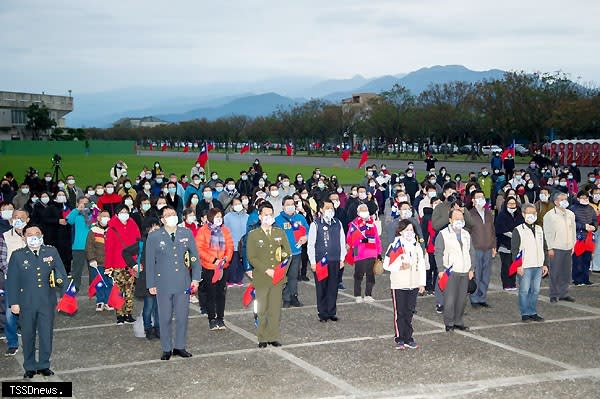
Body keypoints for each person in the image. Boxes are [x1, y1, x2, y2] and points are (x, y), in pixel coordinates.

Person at [7, 223, 68, 378]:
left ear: (42, 236)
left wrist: (66, 296)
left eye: (37, 233)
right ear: (24, 237)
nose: (34, 237)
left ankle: (44, 364)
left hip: (46, 301)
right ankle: (29, 366)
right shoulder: (17, 255)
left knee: (46, 334)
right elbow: (12, 281)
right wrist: (14, 302)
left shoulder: (51, 251)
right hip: (26, 303)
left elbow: (61, 273)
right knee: (28, 335)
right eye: (30, 234)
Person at [146, 206, 201, 360]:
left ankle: (179, 346)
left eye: (173, 214)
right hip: (162, 283)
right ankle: (166, 348)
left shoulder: (186, 233)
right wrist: (151, 284)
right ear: (162, 220)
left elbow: (194, 258)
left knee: (183, 316)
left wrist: (196, 278)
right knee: (165, 318)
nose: (172, 217)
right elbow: (150, 262)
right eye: (168, 215)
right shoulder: (155, 236)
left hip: (183, 282)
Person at [247, 203, 292, 348]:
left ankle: (273, 336)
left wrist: (281, 270)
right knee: (262, 309)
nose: (268, 217)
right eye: (265, 214)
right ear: (259, 216)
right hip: (262, 277)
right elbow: (252, 257)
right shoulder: (254, 235)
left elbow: (287, 253)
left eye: (270, 214)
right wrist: (266, 270)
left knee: (275, 308)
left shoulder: (279, 233)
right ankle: (262, 337)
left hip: (277, 277)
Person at [383, 219, 425, 350]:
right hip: (399, 284)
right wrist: (399, 266)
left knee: (409, 311)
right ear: (400, 231)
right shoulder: (395, 245)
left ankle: (409, 337)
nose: (409, 232)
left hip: (413, 283)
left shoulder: (416, 246)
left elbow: (422, 265)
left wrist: (422, 283)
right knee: (400, 312)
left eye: (411, 230)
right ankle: (400, 338)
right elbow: (386, 264)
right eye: (406, 230)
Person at [434, 209, 475, 331]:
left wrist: (472, 268)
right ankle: (449, 322)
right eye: (456, 218)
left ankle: (458, 320)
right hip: (450, 271)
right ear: (450, 220)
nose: (459, 221)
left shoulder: (466, 234)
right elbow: (438, 252)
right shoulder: (443, 234)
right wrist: (440, 269)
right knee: (450, 299)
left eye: (461, 219)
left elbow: (471, 251)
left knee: (461, 299)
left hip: (464, 270)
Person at [307, 199, 346, 322]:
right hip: (321, 261)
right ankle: (322, 313)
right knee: (322, 287)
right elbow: (311, 244)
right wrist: (313, 261)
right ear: (321, 210)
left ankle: (331, 311)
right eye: (327, 208)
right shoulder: (316, 224)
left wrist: (342, 258)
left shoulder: (337, 223)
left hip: (335, 260)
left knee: (333, 286)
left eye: (331, 208)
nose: (330, 210)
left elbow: (342, 241)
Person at [195, 208, 234, 330]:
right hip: (209, 267)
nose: (219, 219)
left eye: (220, 216)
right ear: (210, 217)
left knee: (221, 293)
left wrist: (225, 259)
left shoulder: (225, 230)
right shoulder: (203, 231)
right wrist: (214, 260)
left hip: (223, 267)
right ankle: (212, 318)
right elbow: (200, 249)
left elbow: (230, 246)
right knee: (210, 294)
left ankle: (220, 318)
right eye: (217, 216)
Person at [123, 217, 161, 340]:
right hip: (146, 280)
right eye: (153, 228)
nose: (156, 231)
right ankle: (148, 329)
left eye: (158, 228)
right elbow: (126, 252)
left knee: (159, 307)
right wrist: (134, 264)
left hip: (161, 279)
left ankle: (158, 329)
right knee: (149, 306)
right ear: (147, 230)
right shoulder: (143, 243)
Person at [511, 204, 549, 322]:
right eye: (529, 213)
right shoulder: (518, 230)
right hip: (525, 266)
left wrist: (545, 263)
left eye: (534, 213)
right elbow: (515, 250)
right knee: (524, 290)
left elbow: (544, 247)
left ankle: (532, 311)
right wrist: (518, 266)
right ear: (523, 214)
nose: (532, 215)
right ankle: (525, 313)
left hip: (538, 264)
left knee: (536, 290)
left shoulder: (539, 229)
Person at [0, 208, 30, 356]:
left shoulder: (33, 235)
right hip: (12, 281)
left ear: (27, 220)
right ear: (11, 220)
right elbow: (2, 260)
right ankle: (12, 342)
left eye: (22, 217)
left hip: (31, 281)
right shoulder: (4, 236)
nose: (18, 220)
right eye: (15, 217)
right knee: (10, 313)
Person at [105, 206, 141, 324]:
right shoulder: (112, 229)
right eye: (121, 212)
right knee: (119, 290)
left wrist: (138, 261)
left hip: (131, 263)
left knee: (130, 290)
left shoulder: (133, 225)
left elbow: (138, 243)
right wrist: (108, 266)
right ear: (116, 214)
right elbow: (109, 249)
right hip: (117, 263)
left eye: (126, 212)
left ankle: (129, 313)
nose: (124, 214)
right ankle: (120, 315)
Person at [275, 196, 309, 308]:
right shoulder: (278, 220)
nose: (290, 206)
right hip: (284, 253)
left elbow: (308, 231)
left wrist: (306, 237)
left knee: (293, 276)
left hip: (297, 252)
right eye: (287, 204)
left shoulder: (300, 218)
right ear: (283, 206)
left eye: (292, 204)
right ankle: (286, 298)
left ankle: (293, 297)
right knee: (283, 277)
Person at [543, 193, 577, 303]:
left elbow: (573, 230)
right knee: (555, 272)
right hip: (556, 247)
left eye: (566, 199)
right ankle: (554, 294)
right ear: (556, 202)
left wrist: (573, 244)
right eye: (562, 199)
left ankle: (564, 293)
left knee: (566, 272)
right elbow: (547, 232)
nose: (565, 201)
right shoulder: (550, 215)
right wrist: (550, 248)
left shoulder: (570, 214)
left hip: (568, 246)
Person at [347, 203, 382, 303]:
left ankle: (368, 294)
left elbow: (377, 238)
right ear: (358, 213)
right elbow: (350, 238)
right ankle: (357, 294)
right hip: (359, 251)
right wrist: (361, 241)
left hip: (372, 252)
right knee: (358, 274)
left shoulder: (372, 223)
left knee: (371, 274)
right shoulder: (354, 224)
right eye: (362, 210)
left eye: (366, 209)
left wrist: (379, 252)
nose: (364, 212)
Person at [468, 190, 496, 307]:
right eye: (478, 197)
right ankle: (474, 298)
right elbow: (467, 232)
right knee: (476, 274)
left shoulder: (489, 213)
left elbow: (492, 230)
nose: (481, 199)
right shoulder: (469, 214)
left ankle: (482, 297)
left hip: (488, 247)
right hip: (476, 248)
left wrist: (494, 245)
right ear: (473, 200)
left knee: (486, 274)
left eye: (482, 197)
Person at [84, 210, 114, 312]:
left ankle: (107, 301)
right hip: (98, 263)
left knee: (109, 282)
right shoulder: (93, 231)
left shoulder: (112, 230)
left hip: (110, 263)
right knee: (99, 282)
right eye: (104, 216)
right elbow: (89, 247)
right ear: (98, 218)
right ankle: (100, 301)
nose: (106, 218)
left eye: (108, 216)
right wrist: (91, 259)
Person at [569, 191, 597, 285]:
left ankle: (586, 278)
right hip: (578, 237)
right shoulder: (573, 209)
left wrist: (594, 227)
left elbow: (595, 220)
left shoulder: (591, 208)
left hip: (589, 237)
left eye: (586, 198)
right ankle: (577, 279)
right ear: (578, 198)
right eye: (582, 197)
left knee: (587, 259)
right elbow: (571, 223)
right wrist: (583, 226)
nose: (585, 199)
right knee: (578, 259)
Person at [495, 196, 523, 290]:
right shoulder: (502, 215)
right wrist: (513, 235)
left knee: (514, 264)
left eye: (513, 204)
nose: (512, 206)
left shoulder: (519, 215)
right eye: (510, 204)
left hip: (516, 245)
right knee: (506, 265)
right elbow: (500, 229)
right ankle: (506, 284)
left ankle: (512, 283)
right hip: (505, 244)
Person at [65, 197, 92, 291]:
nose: (84, 206)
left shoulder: (92, 214)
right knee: (77, 269)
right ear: (77, 204)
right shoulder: (75, 214)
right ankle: (75, 285)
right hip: (78, 246)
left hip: (92, 246)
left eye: (86, 203)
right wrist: (77, 210)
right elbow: (69, 220)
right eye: (82, 204)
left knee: (93, 268)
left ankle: (94, 286)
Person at [224, 197, 248, 286]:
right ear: (232, 206)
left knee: (241, 263)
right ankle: (230, 280)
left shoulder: (246, 216)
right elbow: (225, 230)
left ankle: (238, 279)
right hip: (233, 244)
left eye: (239, 204)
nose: (238, 206)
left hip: (243, 244)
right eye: (235, 204)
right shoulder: (227, 217)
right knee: (233, 263)